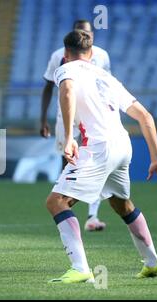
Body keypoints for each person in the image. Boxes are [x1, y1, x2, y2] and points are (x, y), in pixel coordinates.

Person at [46, 30, 157, 283]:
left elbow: (68, 91)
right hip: (123, 146)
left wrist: (69, 137)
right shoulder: (107, 77)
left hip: (98, 148)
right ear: (91, 54)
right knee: (120, 203)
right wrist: (156, 158)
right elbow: (145, 117)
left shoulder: (66, 69)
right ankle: (153, 263)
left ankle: (80, 268)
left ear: (66, 54)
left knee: (57, 201)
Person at [40, 20, 110, 232]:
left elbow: (106, 86)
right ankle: (65, 211)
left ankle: (92, 216)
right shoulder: (57, 56)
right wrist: (42, 119)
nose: (85, 37)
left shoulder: (102, 56)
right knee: (68, 163)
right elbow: (49, 86)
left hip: (93, 117)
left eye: (88, 33)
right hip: (66, 117)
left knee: (96, 161)